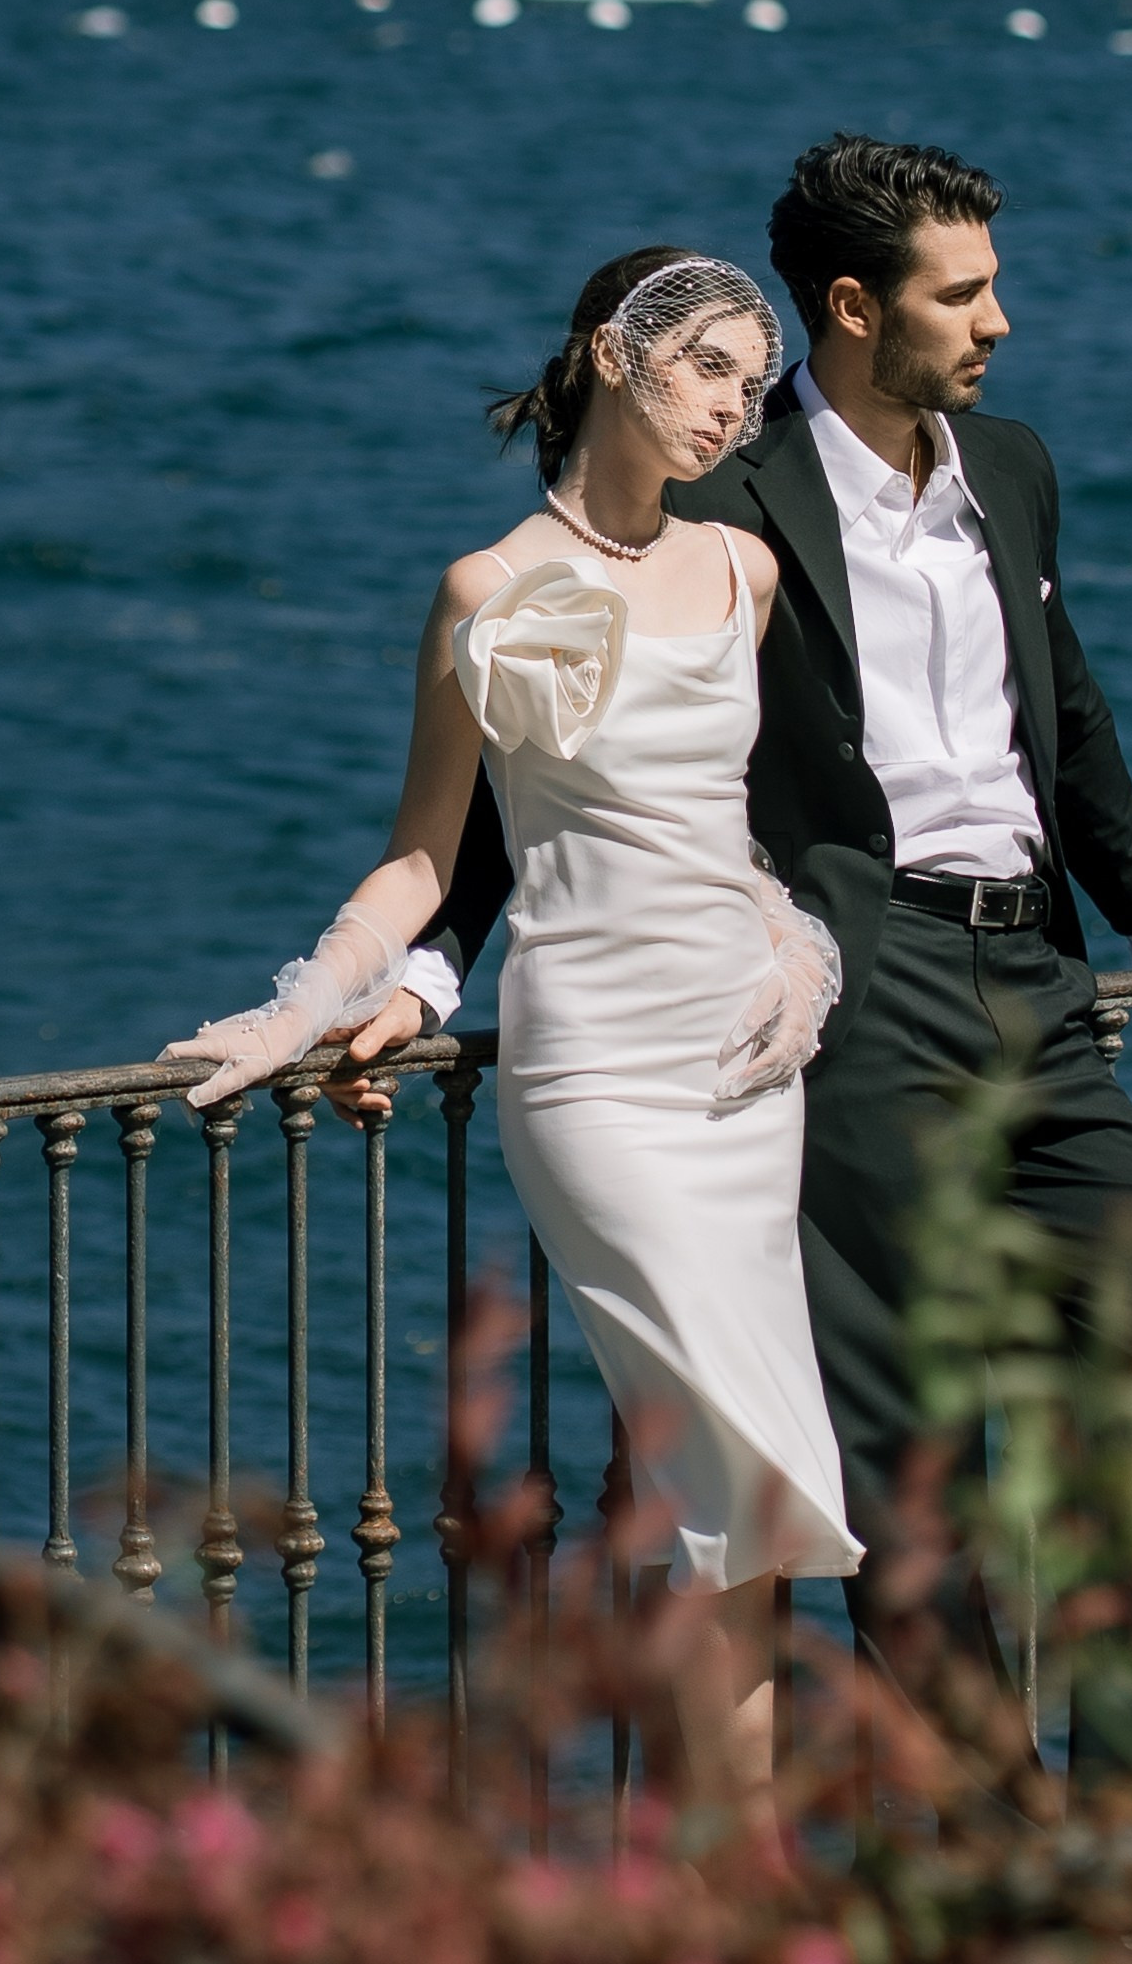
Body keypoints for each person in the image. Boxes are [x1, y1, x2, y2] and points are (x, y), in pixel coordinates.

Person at [403, 136, 1132, 1658]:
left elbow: (1063, 711)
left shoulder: (1008, 466)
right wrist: (426, 969)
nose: (999, 319)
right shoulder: (729, 497)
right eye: (962, 294)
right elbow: (546, 745)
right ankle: (982, 1833)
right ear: (854, 306)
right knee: (904, 1459)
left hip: (1038, 986)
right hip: (859, 998)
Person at [167, 248, 860, 1835]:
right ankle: (730, 1873)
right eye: (705, 371)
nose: (731, 408)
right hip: (598, 1070)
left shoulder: (746, 572)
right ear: (614, 358)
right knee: (731, 1472)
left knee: (740, 1493)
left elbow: (740, 821)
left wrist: (784, 934)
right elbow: (428, 849)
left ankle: (727, 1877)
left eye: (752, 384)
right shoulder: (487, 588)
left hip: (746, 1063)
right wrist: (320, 997)